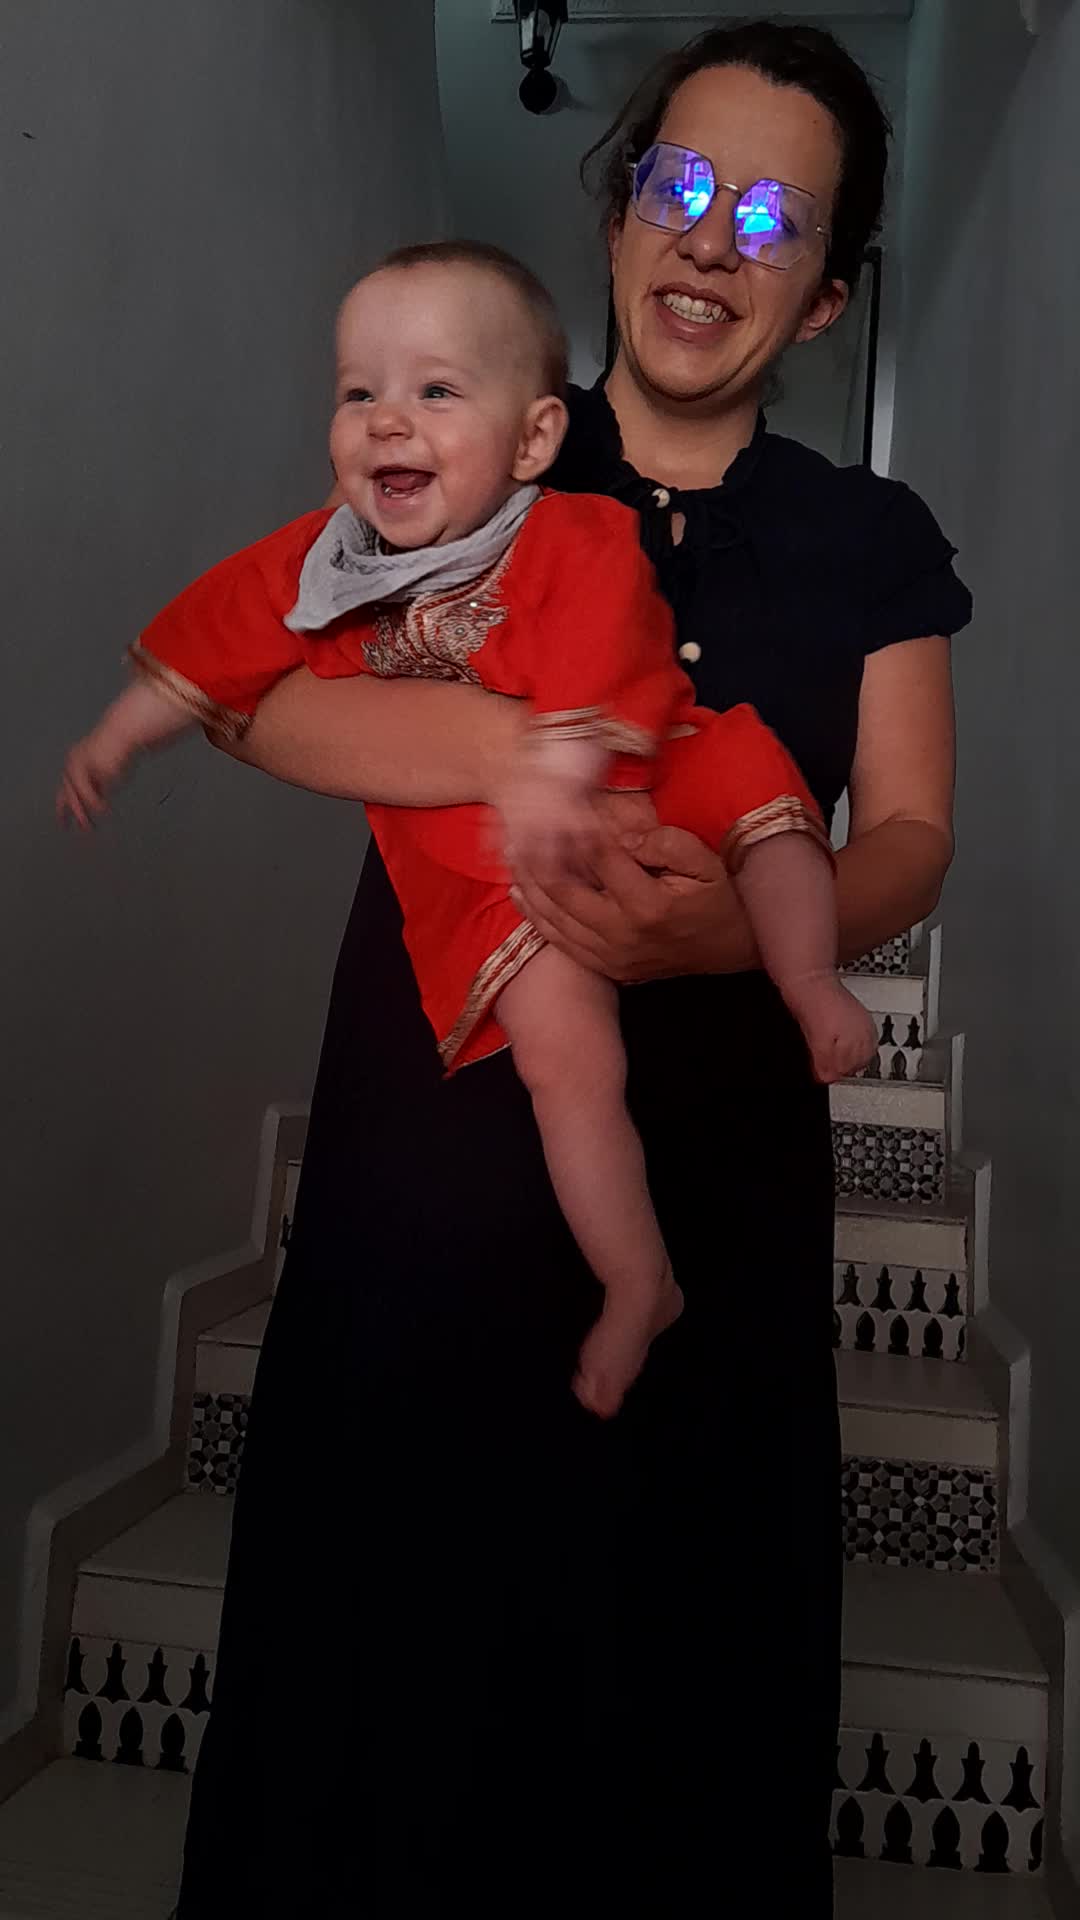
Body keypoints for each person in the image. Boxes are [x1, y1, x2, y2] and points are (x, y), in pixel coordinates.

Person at [173, 21, 970, 1918]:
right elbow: (253, 698)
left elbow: (911, 832)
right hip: (436, 1145)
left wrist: (736, 930)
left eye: (772, 218)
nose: (709, 237)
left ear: (826, 294)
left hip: (718, 1183)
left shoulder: (869, 538)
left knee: (672, 1676)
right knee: (397, 1657)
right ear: (616, 217)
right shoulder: (478, 433)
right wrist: (505, 746)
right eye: (679, 184)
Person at [60, 242, 874, 1419]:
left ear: (533, 440)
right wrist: (123, 733)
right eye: (360, 391)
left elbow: (603, 634)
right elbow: (217, 634)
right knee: (569, 1064)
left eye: (435, 390)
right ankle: (636, 1279)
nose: (388, 419)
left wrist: (558, 761)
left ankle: (808, 979)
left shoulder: (570, 532)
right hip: (502, 866)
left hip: (650, 761)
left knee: (766, 797)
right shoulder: (324, 563)